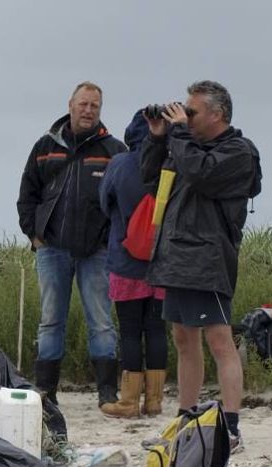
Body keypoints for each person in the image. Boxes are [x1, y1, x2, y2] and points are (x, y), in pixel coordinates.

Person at [141, 81, 262, 451]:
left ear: (218, 113)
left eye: (192, 112)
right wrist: (160, 138)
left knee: (219, 339)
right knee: (183, 338)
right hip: (178, 255)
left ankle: (230, 427)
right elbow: (150, 177)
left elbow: (201, 174)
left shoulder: (239, 152)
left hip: (209, 259)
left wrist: (178, 134)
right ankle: (187, 419)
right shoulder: (184, 145)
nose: (185, 117)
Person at [17, 81, 127, 407]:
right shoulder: (45, 145)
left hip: (96, 251)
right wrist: (32, 233)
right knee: (51, 319)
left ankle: (107, 393)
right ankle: (46, 393)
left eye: (94, 106)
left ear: (100, 110)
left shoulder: (114, 150)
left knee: (102, 322)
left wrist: (109, 241)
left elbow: (124, 203)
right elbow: (27, 194)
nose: (88, 110)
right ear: (70, 104)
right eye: (83, 104)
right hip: (51, 248)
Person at [98, 111, 168, 418]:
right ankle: (154, 402)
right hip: (163, 261)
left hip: (125, 260)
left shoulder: (120, 163)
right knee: (156, 330)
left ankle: (128, 402)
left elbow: (104, 202)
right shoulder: (171, 162)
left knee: (129, 330)